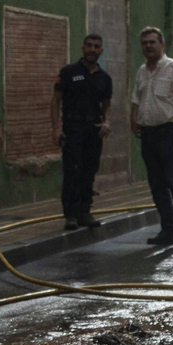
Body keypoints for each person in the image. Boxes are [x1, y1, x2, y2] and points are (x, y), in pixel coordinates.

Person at [129, 27, 173, 249]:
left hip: (169, 133)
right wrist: (134, 118)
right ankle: (168, 230)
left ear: (162, 44)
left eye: (152, 42)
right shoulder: (141, 71)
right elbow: (136, 99)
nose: (148, 46)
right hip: (148, 135)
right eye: (144, 43)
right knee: (157, 186)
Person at [51, 34, 112, 230]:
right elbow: (55, 101)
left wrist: (107, 121)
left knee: (89, 172)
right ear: (83, 48)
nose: (92, 49)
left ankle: (85, 212)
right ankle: (70, 215)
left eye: (96, 47)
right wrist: (56, 128)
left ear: (101, 51)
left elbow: (106, 104)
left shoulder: (105, 78)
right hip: (72, 128)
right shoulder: (69, 72)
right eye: (89, 46)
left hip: (93, 130)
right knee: (72, 171)